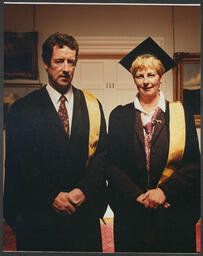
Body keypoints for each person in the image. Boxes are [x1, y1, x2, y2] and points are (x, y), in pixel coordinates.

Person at [3, 32, 107, 252]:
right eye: (59, 61)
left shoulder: (92, 105)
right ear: (45, 64)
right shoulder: (23, 109)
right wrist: (50, 196)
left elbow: (102, 156)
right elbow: (17, 164)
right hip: (39, 217)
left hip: (83, 217)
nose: (66, 68)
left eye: (71, 62)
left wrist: (84, 190)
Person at [107, 37, 200, 252]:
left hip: (173, 211)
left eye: (151, 75)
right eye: (140, 75)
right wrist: (137, 195)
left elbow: (194, 163)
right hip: (132, 213)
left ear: (161, 76)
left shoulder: (179, 113)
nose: (146, 81)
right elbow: (112, 164)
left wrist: (164, 191)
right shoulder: (120, 115)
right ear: (134, 79)